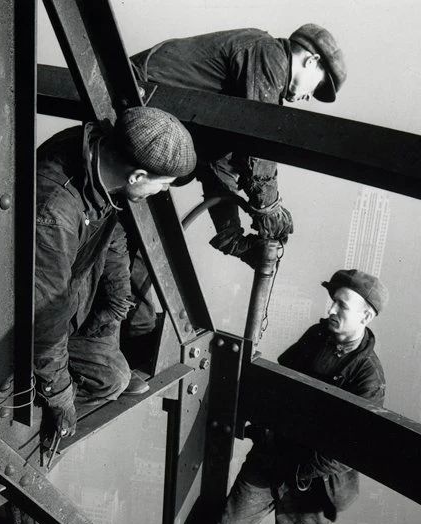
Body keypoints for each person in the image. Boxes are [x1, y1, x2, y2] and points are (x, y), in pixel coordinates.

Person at [167, 269, 388, 524]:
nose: (331, 309)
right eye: (332, 300)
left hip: (315, 479)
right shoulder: (317, 337)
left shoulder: (368, 378)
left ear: (365, 317)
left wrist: (302, 473)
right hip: (275, 454)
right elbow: (280, 377)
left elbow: (347, 449)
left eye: (342, 305)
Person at [123, 24, 347, 352]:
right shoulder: (267, 53)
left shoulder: (237, 91)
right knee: (125, 247)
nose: (308, 97)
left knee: (136, 249)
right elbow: (258, 138)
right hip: (140, 115)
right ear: (311, 61)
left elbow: (220, 165)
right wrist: (268, 206)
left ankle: (131, 338)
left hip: (149, 134)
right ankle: (129, 341)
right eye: (318, 85)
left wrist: (235, 240)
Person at [33, 107, 197, 441]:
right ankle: (39, 409)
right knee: (111, 380)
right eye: (163, 183)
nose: (164, 191)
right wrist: (60, 391)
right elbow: (44, 315)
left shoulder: (98, 157)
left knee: (124, 355)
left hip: (68, 293)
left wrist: (117, 297)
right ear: (137, 176)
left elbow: (113, 231)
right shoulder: (54, 213)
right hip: (24, 323)